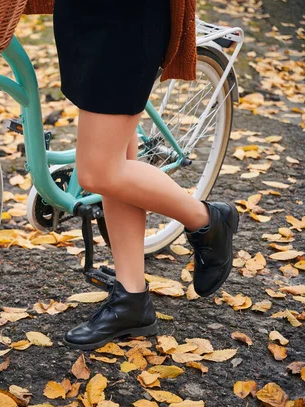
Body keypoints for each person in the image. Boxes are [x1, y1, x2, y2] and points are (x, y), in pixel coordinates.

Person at [52, 0, 240, 350]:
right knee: (116, 158)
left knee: (98, 172)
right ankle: (132, 300)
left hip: (126, 20)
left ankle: (207, 219)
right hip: (83, 15)